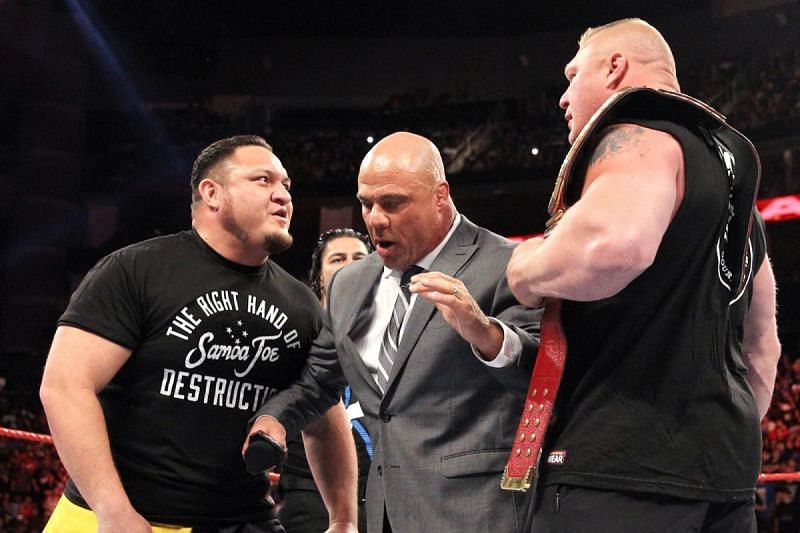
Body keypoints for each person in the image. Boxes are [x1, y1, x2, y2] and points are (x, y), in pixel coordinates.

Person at [505, 18, 781, 532]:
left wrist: (522, 270)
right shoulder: (740, 203)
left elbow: (614, 248)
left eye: (572, 75)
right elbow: (763, 347)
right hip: (724, 481)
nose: (564, 98)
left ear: (615, 68)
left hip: (617, 474)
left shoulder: (636, 137)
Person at [39, 135, 358, 533]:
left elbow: (325, 414)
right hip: (122, 515)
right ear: (212, 193)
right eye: (263, 180)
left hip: (241, 518)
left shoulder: (300, 303)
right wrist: (113, 510)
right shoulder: (137, 270)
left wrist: (344, 521)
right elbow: (65, 385)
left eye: (286, 186)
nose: (282, 196)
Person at [248, 131, 542, 533]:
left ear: (441, 195)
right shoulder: (349, 284)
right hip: (385, 514)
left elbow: (543, 378)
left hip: (481, 511)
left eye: (392, 203)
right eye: (366, 204)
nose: (374, 219)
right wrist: (274, 419)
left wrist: (486, 334)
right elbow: (318, 381)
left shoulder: (506, 263)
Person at [279, 228, 373, 532]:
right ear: (319, 275)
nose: (349, 265)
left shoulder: (395, 331)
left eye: (359, 258)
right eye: (338, 258)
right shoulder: (292, 331)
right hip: (310, 493)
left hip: (383, 492)